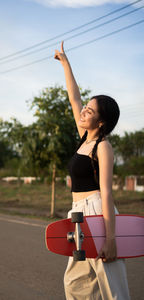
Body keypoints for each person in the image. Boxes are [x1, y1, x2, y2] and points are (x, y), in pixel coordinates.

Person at [54, 42, 130, 300]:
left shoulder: (103, 147)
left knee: (112, 287)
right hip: (77, 214)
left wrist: (111, 238)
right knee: (77, 284)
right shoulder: (84, 138)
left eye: (90, 110)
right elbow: (73, 97)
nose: (83, 110)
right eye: (85, 107)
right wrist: (65, 63)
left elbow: (107, 194)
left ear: (101, 121)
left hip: (97, 213)